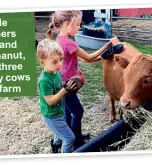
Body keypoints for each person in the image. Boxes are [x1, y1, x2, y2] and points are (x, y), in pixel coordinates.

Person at [46, 10, 112, 148]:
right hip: (68, 84)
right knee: (78, 111)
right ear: (68, 23)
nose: (79, 27)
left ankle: (64, 138)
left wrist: (102, 58)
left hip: (61, 81)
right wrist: (105, 46)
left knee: (69, 112)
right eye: (77, 24)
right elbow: (88, 57)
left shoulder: (59, 39)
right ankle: (76, 142)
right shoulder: (69, 43)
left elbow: (69, 62)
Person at [37, 38, 78, 153]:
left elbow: (59, 87)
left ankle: (55, 145)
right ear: (42, 62)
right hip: (51, 115)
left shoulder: (55, 72)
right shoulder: (44, 81)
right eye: (55, 62)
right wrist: (65, 90)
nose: (60, 64)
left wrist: (67, 84)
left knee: (60, 132)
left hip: (59, 111)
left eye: (60, 59)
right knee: (69, 138)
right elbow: (50, 101)